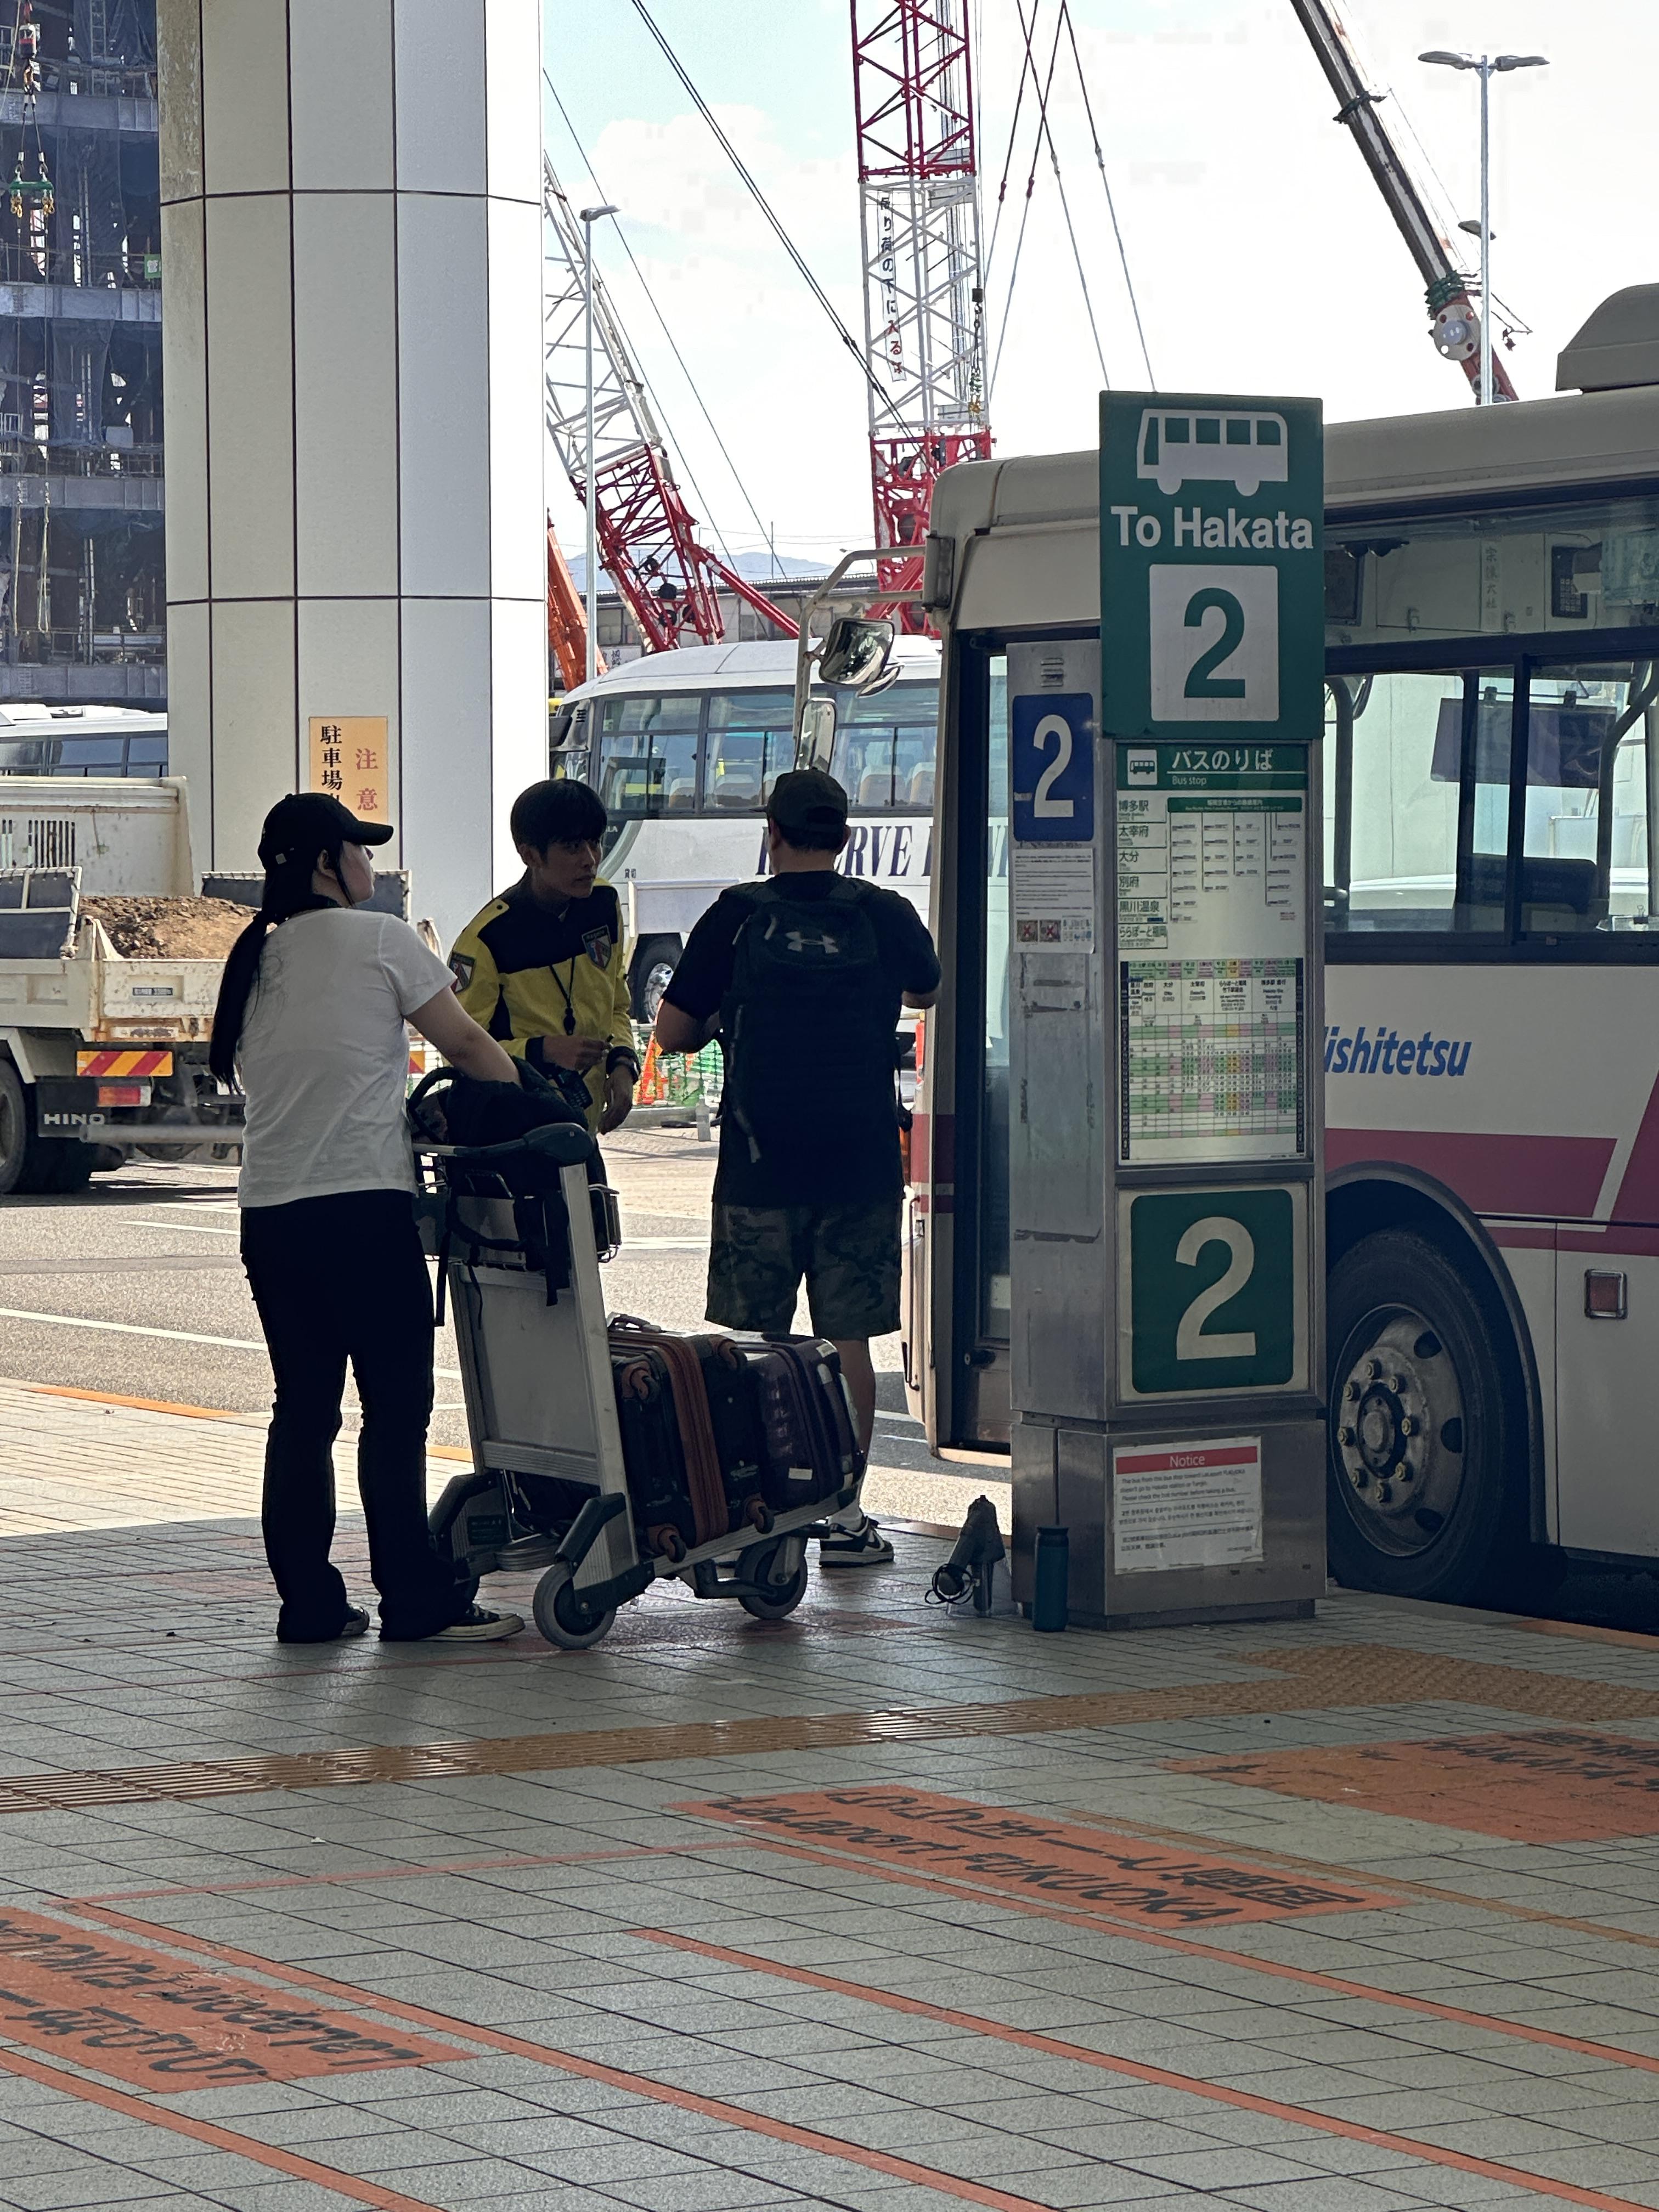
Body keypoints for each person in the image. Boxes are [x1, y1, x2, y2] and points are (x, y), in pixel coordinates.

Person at [211, 792, 527, 1645]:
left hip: (272, 1215)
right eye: (360, 849)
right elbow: (467, 1047)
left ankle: (309, 1607)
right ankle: (414, 1600)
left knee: (304, 1410)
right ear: (328, 863)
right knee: (395, 1407)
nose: (370, 864)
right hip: (363, 1209)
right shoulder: (380, 938)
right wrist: (532, 1107)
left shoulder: (255, 956)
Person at [654, 768, 940, 1567]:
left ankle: (754, 1516)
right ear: (844, 837)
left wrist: (730, 1014)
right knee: (848, 1342)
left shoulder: (737, 915)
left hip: (759, 1166)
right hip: (860, 1165)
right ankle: (845, 1516)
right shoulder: (883, 913)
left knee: (757, 1345)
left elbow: (671, 1033)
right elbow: (926, 990)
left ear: (771, 832)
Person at [448, 778, 638, 1138]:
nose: (590, 860)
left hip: (582, 1130)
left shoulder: (603, 904)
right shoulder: (486, 940)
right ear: (530, 855)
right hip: (516, 1135)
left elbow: (617, 1005)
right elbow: (458, 1050)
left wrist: (623, 1063)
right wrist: (541, 1051)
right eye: (572, 847)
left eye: (595, 842)